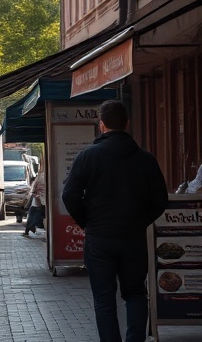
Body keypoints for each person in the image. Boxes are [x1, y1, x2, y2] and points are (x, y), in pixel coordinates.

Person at [61, 100, 168, 342]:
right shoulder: (145, 158)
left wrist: (87, 221)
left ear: (101, 125)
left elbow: (69, 194)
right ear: (127, 124)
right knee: (135, 293)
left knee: (104, 298)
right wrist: (141, 220)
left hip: (100, 238)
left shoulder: (87, 156)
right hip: (133, 237)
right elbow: (160, 198)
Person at [23, 165, 46, 237]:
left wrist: (34, 194)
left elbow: (34, 188)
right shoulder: (43, 176)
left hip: (39, 200)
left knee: (33, 214)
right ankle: (29, 229)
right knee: (33, 214)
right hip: (40, 200)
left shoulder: (41, 177)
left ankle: (29, 229)